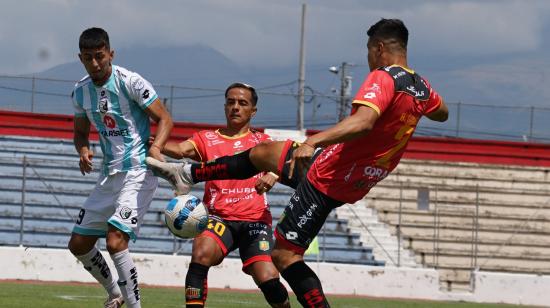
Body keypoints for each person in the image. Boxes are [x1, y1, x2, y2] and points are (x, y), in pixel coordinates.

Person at [147, 18, 449, 307]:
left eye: (369, 51)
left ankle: (190, 174)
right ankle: (190, 174)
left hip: (328, 176)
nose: (369, 58)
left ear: (379, 48)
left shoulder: (384, 76)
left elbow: (364, 122)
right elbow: (442, 112)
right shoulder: (419, 86)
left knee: (285, 256)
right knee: (262, 154)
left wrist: (313, 141)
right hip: (355, 174)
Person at [153, 82, 290, 307]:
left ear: (253, 111)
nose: (235, 107)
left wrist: (274, 174)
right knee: (201, 254)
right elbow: (179, 150)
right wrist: (156, 145)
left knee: (267, 277)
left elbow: (289, 162)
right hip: (218, 218)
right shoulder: (206, 138)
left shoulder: (263, 142)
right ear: (225, 106)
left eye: (242, 103)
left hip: (254, 221)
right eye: (231, 102)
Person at [68, 27, 173, 308]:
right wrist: (84, 149)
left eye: (100, 56)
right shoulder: (80, 92)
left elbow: (165, 118)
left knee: (115, 241)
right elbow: (80, 133)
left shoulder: (131, 82)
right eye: (88, 58)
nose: (95, 63)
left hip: (138, 170)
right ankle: (115, 293)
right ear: (81, 58)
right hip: (108, 175)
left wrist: (156, 147)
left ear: (110, 54)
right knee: (78, 244)